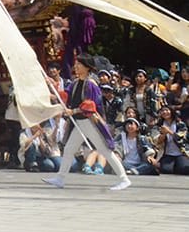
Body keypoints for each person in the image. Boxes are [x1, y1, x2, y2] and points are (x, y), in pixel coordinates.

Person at [42, 54, 130, 191]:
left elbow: (90, 106)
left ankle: (124, 179)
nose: (75, 67)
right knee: (69, 149)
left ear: (87, 67)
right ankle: (60, 178)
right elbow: (66, 95)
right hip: (80, 123)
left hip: (91, 122)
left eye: (79, 64)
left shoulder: (91, 84)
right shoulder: (76, 83)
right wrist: (52, 87)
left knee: (104, 150)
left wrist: (74, 111)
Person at [152, 105, 189, 175]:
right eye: (162, 111)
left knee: (184, 169)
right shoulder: (159, 125)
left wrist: (169, 131)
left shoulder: (180, 124)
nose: (165, 112)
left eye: (167, 110)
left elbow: (182, 138)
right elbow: (156, 141)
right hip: (167, 153)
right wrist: (163, 134)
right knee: (166, 170)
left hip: (181, 153)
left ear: (171, 111)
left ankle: (178, 165)